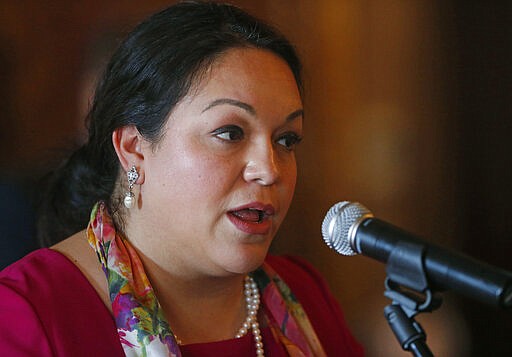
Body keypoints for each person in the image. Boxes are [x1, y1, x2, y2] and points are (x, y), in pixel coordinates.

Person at [0, 1, 364, 356]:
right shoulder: (29, 314)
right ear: (134, 149)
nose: (269, 169)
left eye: (286, 139)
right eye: (230, 133)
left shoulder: (303, 294)